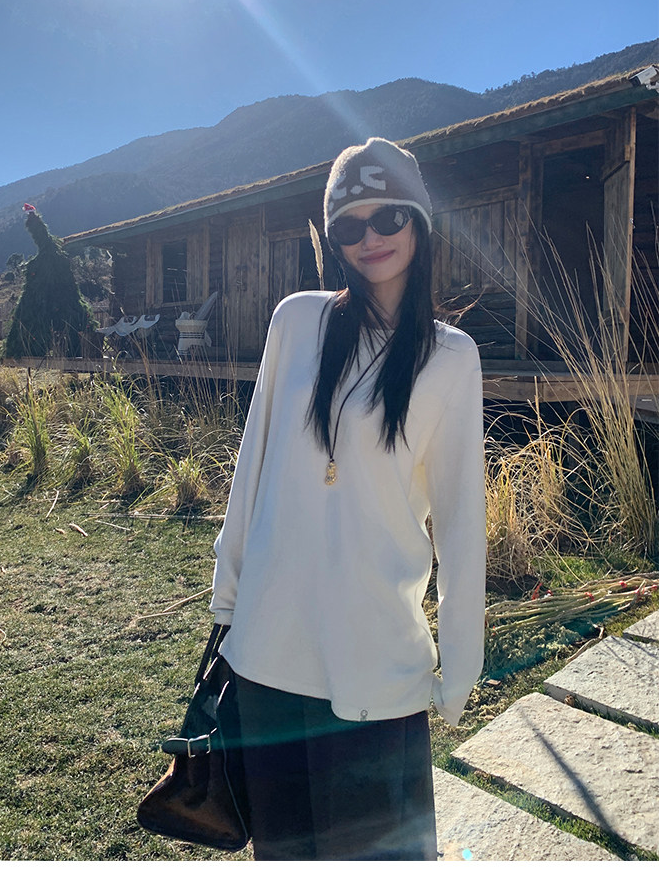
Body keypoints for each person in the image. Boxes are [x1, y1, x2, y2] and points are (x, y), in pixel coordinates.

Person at [210, 136, 486, 861]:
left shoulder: (450, 357)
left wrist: (460, 665)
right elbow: (252, 469)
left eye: (388, 216)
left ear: (419, 221)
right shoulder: (296, 321)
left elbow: (462, 524)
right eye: (349, 226)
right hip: (269, 654)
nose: (371, 238)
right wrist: (227, 600)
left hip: (376, 663)